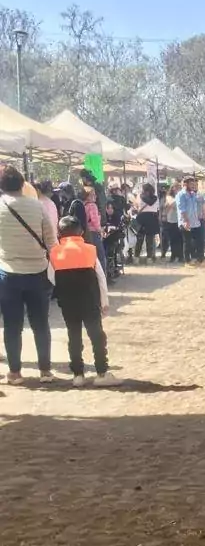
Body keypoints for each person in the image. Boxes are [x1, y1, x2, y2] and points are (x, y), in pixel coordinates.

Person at [0, 165, 57, 385]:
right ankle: (45, 371)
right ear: (23, 184)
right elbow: (51, 241)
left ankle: (15, 372)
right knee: (41, 323)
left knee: (12, 326)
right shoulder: (38, 206)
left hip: (8, 274)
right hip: (38, 272)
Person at [49, 216, 120, 388]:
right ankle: (102, 372)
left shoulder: (55, 252)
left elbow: (51, 277)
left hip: (68, 303)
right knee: (97, 336)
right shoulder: (90, 249)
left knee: (73, 336)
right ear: (81, 232)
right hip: (90, 301)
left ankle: (78, 375)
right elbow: (101, 279)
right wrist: (104, 302)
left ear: (59, 233)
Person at [177, 177, 205, 264]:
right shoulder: (181, 195)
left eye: (194, 184)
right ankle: (187, 260)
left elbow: (198, 205)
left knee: (199, 241)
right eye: (191, 184)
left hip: (195, 222)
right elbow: (182, 209)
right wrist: (186, 221)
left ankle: (199, 258)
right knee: (187, 242)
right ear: (185, 184)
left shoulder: (193, 194)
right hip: (186, 222)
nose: (193, 186)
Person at [83, 186, 107, 274]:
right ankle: (102, 276)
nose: (95, 196)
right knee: (101, 256)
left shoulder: (83, 205)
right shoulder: (92, 206)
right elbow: (95, 221)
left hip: (86, 234)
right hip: (93, 233)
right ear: (88, 196)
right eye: (93, 195)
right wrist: (101, 231)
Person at [134, 183, 160, 263]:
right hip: (150, 218)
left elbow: (149, 202)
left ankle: (138, 258)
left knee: (144, 240)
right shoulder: (155, 197)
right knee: (145, 240)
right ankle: (146, 258)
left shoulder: (141, 196)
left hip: (143, 218)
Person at [161, 183, 183, 263]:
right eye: (177, 187)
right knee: (173, 239)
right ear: (173, 188)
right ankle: (173, 256)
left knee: (180, 239)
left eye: (180, 187)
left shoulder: (181, 196)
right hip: (171, 220)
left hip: (180, 220)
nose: (178, 189)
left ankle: (181, 256)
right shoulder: (169, 197)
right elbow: (173, 203)